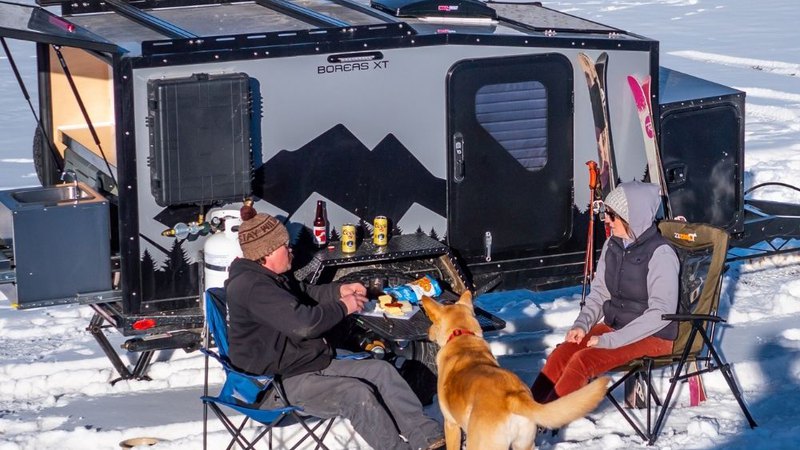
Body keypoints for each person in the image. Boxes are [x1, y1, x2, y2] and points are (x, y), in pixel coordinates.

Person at [224, 204, 445, 450]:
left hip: (304, 362)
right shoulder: (254, 287)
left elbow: (304, 293)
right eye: (284, 246)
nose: (291, 250)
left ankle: (430, 440)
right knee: (355, 394)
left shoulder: (267, 277)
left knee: (382, 372)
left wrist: (340, 290)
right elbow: (304, 325)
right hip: (275, 384)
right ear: (267, 252)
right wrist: (343, 306)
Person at [530, 181, 679, 403]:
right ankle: (528, 411)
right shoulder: (613, 244)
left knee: (583, 361)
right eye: (604, 212)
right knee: (563, 353)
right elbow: (600, 293)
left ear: (633, 217)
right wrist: (582, 324)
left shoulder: (661, 254)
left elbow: (661, 312)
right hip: (616, 326)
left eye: (612, 214)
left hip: (653, 335)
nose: (606, 219)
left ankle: (545, 419)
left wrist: (611, 340)